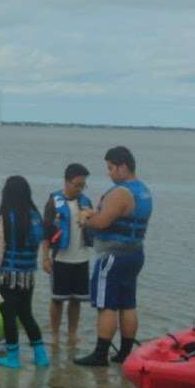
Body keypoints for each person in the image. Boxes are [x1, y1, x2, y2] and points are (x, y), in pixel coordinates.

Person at [74, 145, 152, 368]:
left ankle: (100, 355)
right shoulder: (144, 190)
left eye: (110, 168)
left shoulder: (120, 193)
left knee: (106, 305)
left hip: (113, 256)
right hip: (135, 253)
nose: (109, 173)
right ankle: (125, 352)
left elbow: (101, 223)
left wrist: (85, 218)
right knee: (128, 304)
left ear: (123, 167)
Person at [0, 175, 49, 370]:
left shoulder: (4, 219)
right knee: (26, 314)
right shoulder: (35, 217)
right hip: (28, 277)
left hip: (7, 278)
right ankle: (41, 356)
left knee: (9, 317)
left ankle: (12, 358)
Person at [41, 162, 93, 341]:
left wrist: (91, 218)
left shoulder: (86, 203)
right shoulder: (54, 202)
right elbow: (46, 231)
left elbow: (94, 226)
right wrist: (45, 258)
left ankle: (72, 333)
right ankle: (55, 334)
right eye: (76, 184)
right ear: (66, 182)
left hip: (81, 258)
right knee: (57, 299)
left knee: (76, 300)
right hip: (60, 258)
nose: (79, 188)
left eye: (82, 185)